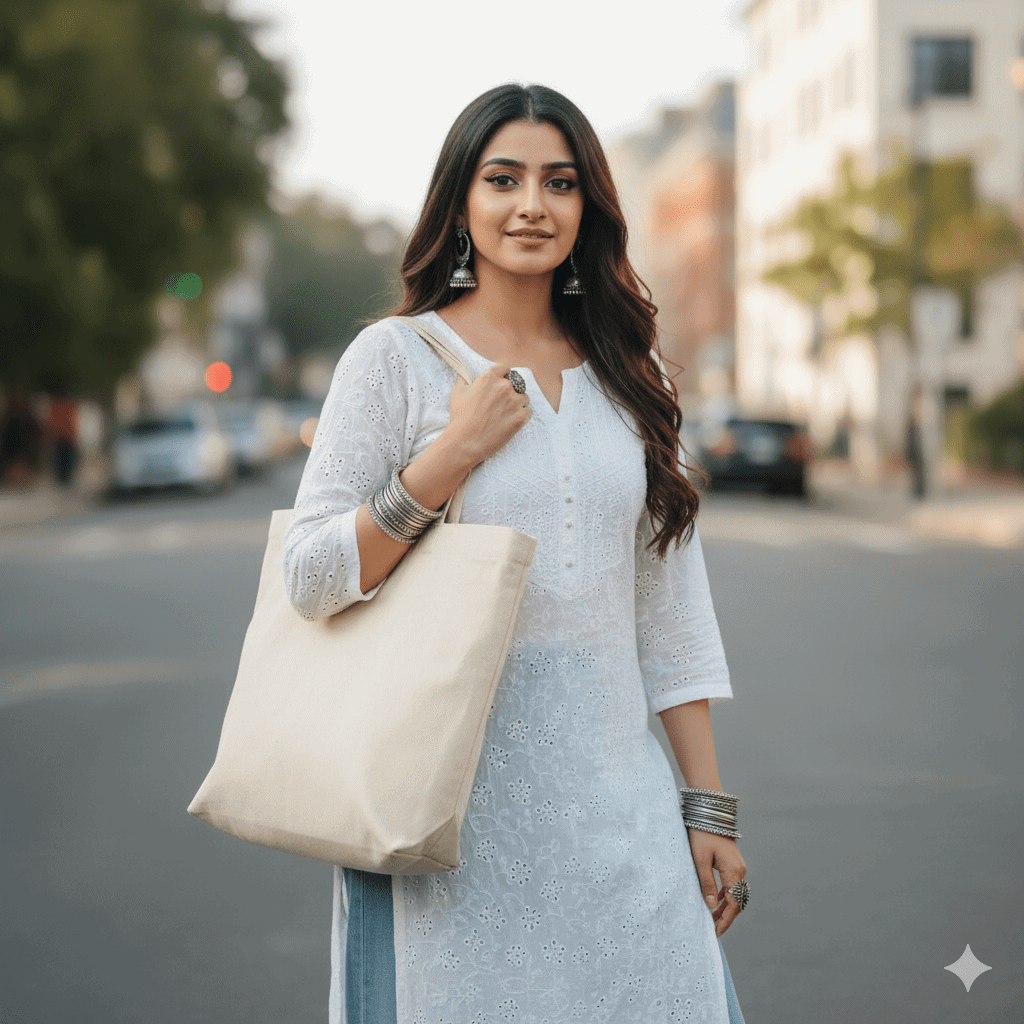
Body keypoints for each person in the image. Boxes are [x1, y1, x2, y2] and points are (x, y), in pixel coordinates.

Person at [283, 83, 749, 1024]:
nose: (532, 204)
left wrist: (706, 806)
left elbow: (668, 609)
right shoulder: (392, 359)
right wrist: (448, 457)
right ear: (462, 201)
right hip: (446, 817)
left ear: (589, 208)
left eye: (559, 182)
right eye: (503, 179)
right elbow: (312, 576)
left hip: (623, 816)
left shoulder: (633, 375)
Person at [46, 387, 79, 489]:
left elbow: (73, 423)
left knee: (66, 464)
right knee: (61, 464)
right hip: (60, 441)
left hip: (66, 440)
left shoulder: (67, 407)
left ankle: (65, 482)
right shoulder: (57, 408)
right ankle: (62, 483)